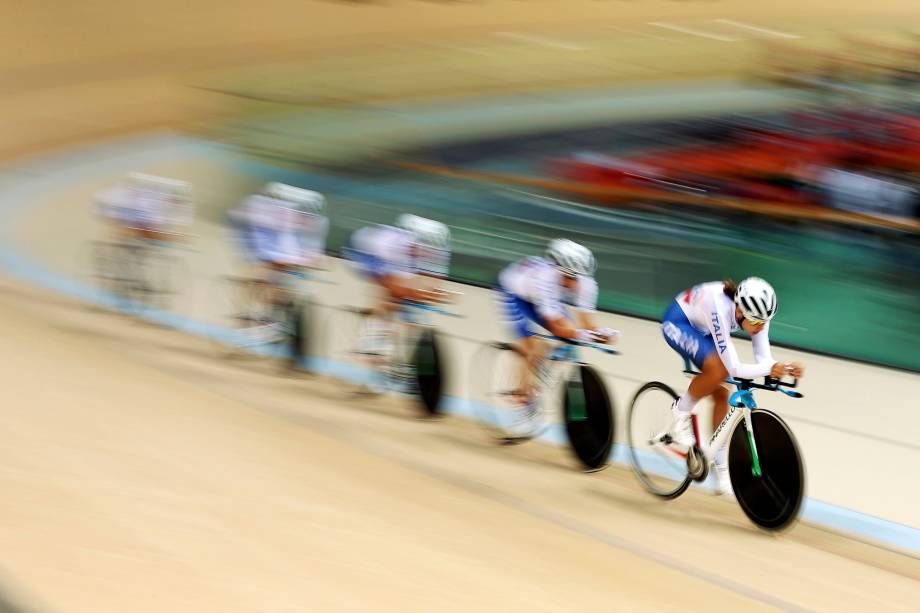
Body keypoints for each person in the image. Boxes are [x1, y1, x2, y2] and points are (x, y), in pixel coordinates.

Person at [661, 277, 805, 496]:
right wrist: (772, 368)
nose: (762, 327)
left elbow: (763, 359)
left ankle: (719, 463)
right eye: (757, 323)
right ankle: (681, 410)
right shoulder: (719, 306)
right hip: (679, 323)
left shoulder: (758, 313)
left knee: (722, 395)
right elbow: (734, 368)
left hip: (703, 329)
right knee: (720, 371)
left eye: (766, 322)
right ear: (739, 310)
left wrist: (783, 367)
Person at [497, 239, 619, 405]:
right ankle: (522, 391)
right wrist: (584, 335)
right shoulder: (546, 279)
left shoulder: (587, 284)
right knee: (531, 344)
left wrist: (600, 334)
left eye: (578, 279)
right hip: (514, 293)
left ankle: (540, 367)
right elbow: (556, 328)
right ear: (558, 270)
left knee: (567, 339)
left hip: (543, 299)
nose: (574, 284)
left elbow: (587, 325)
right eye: (569, 277)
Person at [347, 214, 452, 354]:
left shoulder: (437, 251)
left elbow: (435, 279)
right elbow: (395, 280)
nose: (426, 252)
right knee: (390, 292)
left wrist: (436, 292)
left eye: (429, 249)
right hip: (363, 252)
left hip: (393, 258)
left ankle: (402, 350)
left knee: (408, 293)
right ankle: (373, 338)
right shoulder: (395, 246)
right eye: (421, 248)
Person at [94, 172, 193, 241]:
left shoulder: (160, 196)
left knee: (150, 230)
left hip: (130, 213)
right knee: (149, 231)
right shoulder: (157, 196)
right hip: (130, 213)